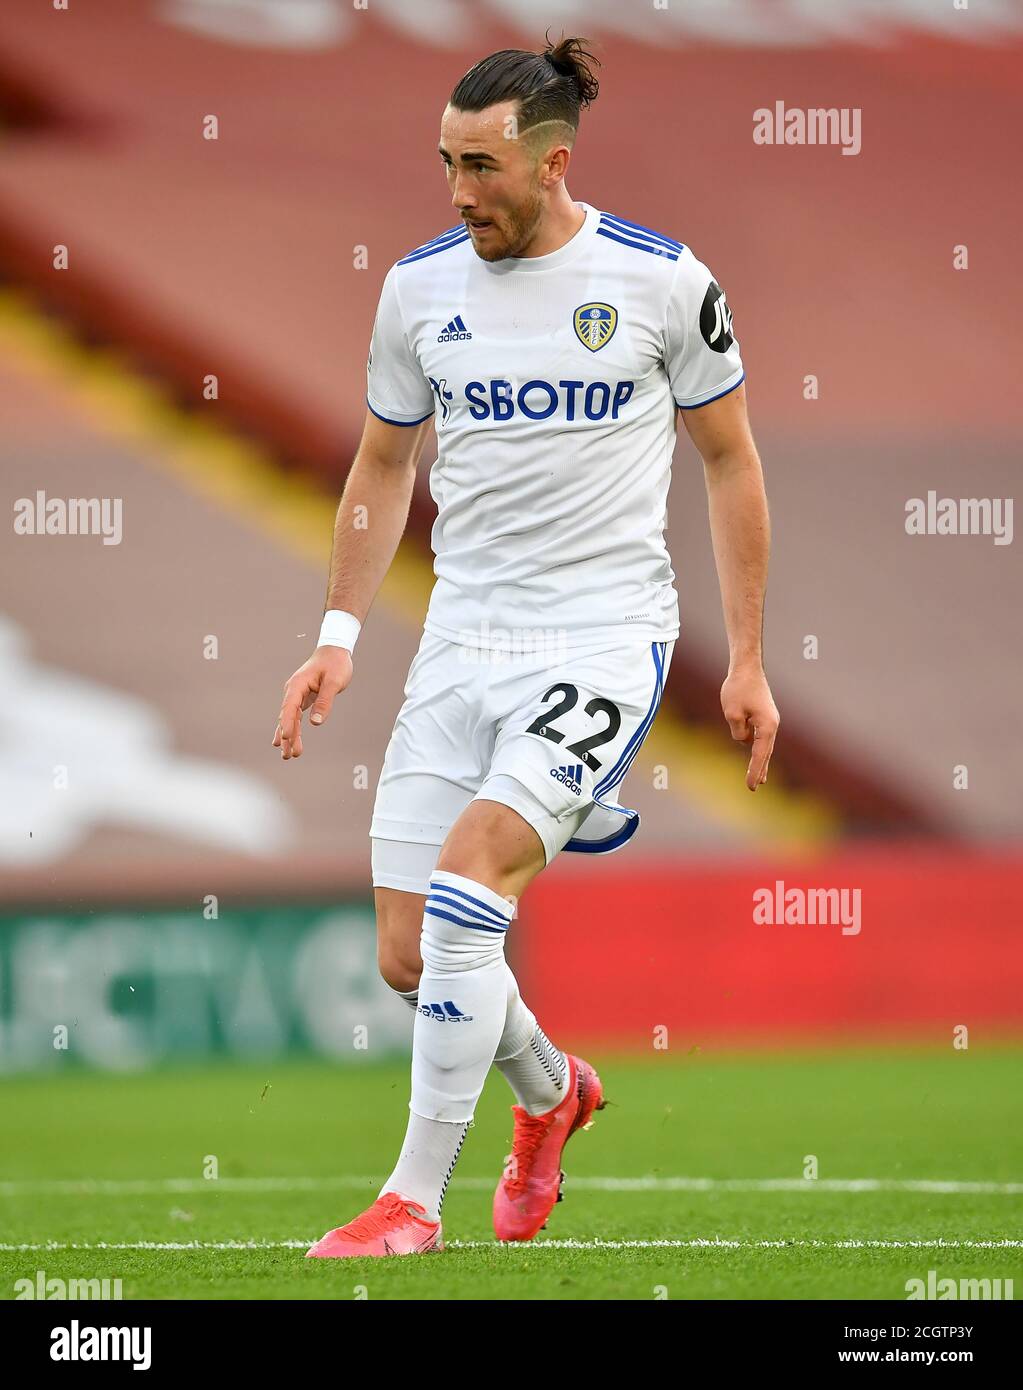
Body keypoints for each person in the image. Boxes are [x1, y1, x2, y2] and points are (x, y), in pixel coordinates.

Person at [273, 34, 779, 1258]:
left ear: (553, 163)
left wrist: (748, 657)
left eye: (481, 166)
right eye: (446, 163)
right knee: (410, 956)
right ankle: (553, 1092)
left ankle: (410, 1203)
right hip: (461, 638)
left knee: (467, 891)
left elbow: (731, 462)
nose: (458, 190)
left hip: (601, 638)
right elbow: (382, 463)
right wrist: (337, 633)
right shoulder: (418, 289)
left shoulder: (661, 282)